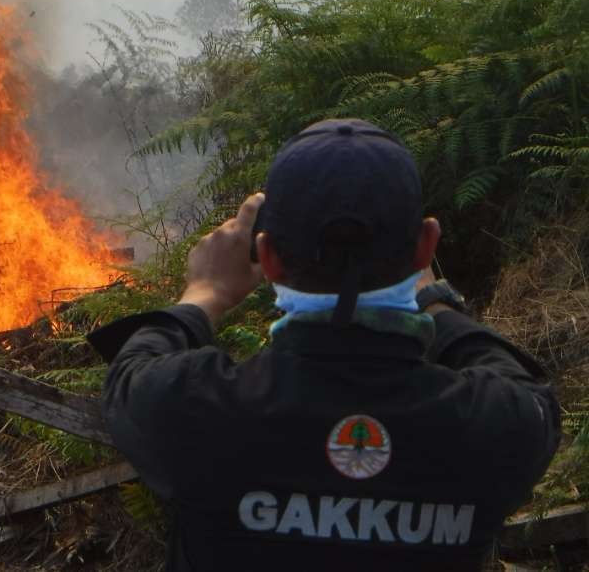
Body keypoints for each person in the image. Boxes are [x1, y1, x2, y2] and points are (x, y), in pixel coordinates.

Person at [88, 118, 560, 572]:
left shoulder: (194, 410)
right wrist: (434, 300)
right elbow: (511, 376)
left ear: (268, 258)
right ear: (426, 246)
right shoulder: (499, 425)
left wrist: (205, 294)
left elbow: (133, 368)